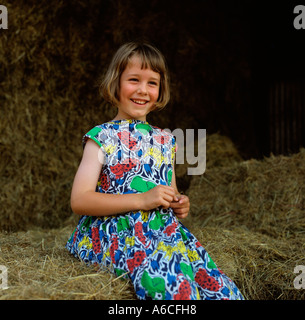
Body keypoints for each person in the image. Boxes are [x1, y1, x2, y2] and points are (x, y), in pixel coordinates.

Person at [66, 41, 244, 300]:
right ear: (115, 83)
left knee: (220, 289)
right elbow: (79, 200)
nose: (142, 90)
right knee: (173, 288)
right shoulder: (101, 137)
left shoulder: (165, 140)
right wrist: (141, 199)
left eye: (152, 83)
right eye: (134, 79)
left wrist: (178, 202)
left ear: (160, 91)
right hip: (117, 234)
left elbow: (169, 189)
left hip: (163, 233)